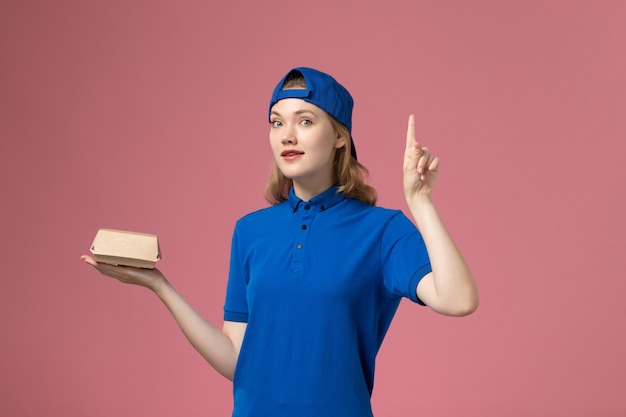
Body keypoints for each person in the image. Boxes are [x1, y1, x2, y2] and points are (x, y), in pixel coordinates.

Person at [82, 67, 479, 417]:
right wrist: (160, 286)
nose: (287, 135)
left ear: (340, 136)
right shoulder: (250, 231)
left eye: (305, 121)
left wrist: (421, 203)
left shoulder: (382, 230)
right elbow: (237, 359)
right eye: (276, 123)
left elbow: (458, 300)